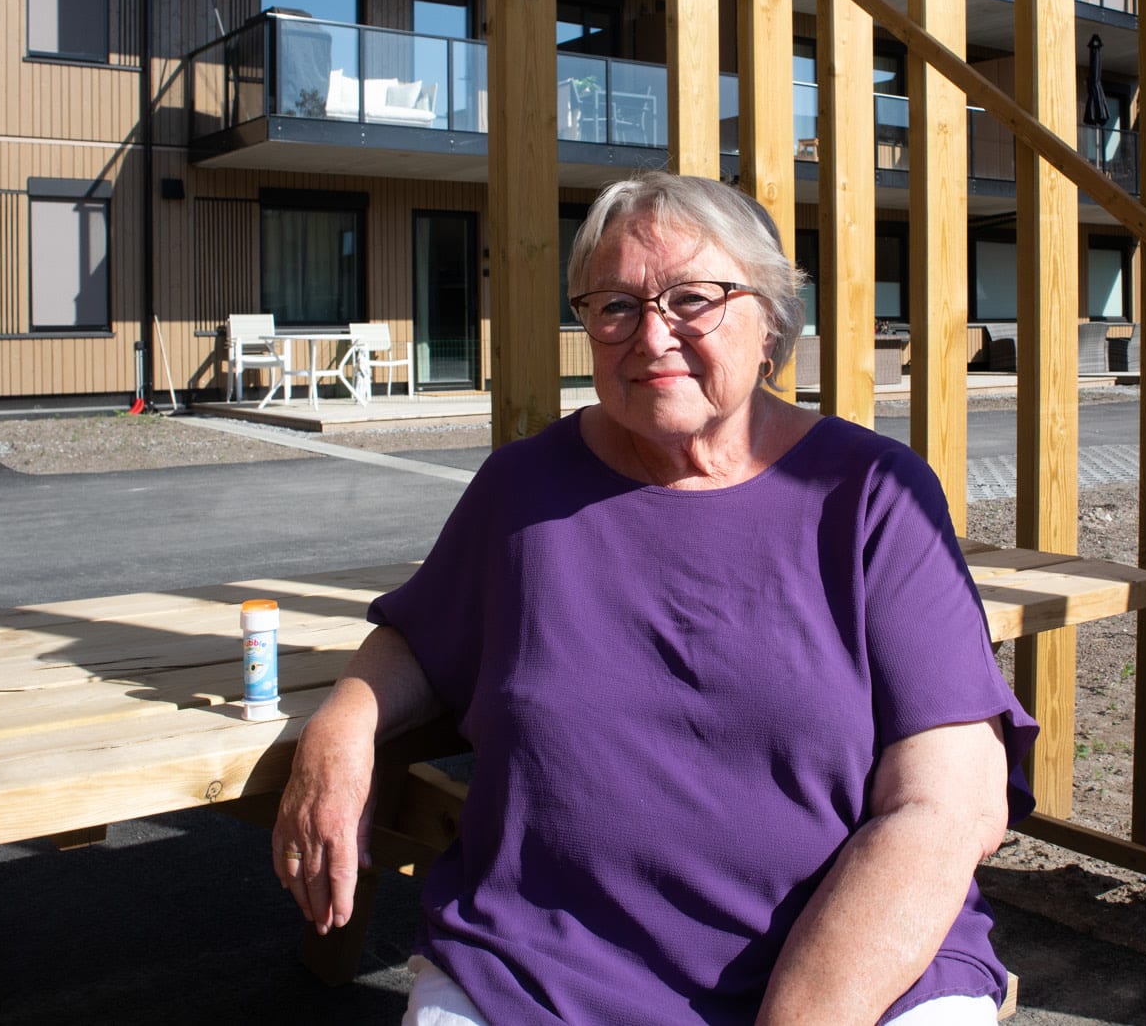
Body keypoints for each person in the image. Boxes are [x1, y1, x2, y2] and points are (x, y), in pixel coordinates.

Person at [273, 171, 1037, 1025]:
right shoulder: (525, 488)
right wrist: (340, 727)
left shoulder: (870, 494)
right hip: (541, 965)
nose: (652, 335)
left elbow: (949, 803)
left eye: (692, 299)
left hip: (848, 967)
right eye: (616, 306)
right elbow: (421, 634)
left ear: (771, 324)